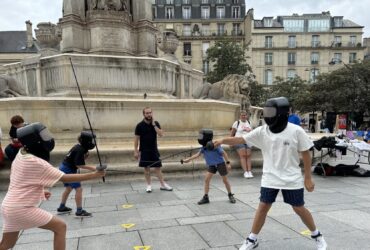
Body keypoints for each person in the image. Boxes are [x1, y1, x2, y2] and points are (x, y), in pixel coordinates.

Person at [212, 97, 327, 250]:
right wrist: (221, 140)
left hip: (291, 178)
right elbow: (240, 139)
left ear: (281, 113)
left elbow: (306, 154)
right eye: (266, 111)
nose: (267, 114)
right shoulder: (262, 131)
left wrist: (307, 177)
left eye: (270, 111)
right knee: (263, 206)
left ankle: (317, 236)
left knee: (298, 208)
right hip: (270, 177)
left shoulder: (296, 131)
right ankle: (252, 239)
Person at [0, 122, 105, 250]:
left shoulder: (21, 154)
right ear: (35, 141)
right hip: (20, 208)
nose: (48, 138)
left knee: (6, 245)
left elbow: (22, 180)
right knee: (60, 227)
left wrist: (39, 191)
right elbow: (64, 177)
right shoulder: (36, 162)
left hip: (8, 206)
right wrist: (94, 174)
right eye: (43, 135)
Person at [182, 129, 236, 205]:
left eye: (201, 136)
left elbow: (224, 153)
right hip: (211, 165)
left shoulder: (215, 145)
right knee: (207, 180)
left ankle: (230, 194)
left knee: (225, 180)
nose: (200, 138)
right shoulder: (204, 147)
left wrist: (228, 163)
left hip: (220, 164)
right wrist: (188, 159)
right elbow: (197, 155)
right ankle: (206, 197)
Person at [57, 131, 98, 217]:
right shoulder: (80, 149)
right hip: (68, 170)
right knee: (79, 189)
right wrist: (93, 168)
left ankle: (62, 207)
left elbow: (75, 159)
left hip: (64, 167)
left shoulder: (79, 147)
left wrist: (85, 156)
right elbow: (79, 165)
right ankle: (79, 211)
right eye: (91, 141)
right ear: (86, 141)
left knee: (68, 188)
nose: (93, 143)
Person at [134, 107, 172, 193]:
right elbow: (136, 139)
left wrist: (154, 125)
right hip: (144, 150)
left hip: (154, 149)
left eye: (150, 113)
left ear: (152, 113)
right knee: (146, 169)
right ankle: (148, 185)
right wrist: (136, 151)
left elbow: (161, 134)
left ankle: (163, 185)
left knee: (158, 168)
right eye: (147, 113)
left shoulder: (156, 123)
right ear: (143, 114)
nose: (149, 114)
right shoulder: (139, 125)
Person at [230, 110, 254, 178]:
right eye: (242, 115)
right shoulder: (237, 123)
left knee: (248, 155)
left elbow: (252, 133)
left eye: (245, 115)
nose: (243, 116)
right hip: (239, 140)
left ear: (247, 116)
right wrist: (230, 141)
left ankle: (249, 171)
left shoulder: (249, 122)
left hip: (248, 141)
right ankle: (245, 172)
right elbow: (232, 133)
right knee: (243, 155)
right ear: (240, 116)